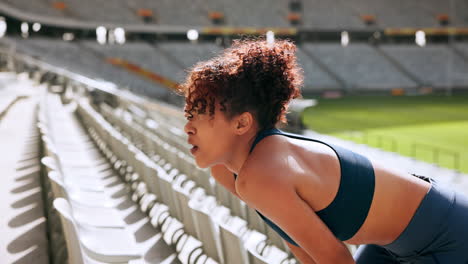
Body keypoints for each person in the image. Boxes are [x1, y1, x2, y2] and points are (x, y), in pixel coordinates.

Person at [179, 39, 468, 263]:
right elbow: (299, 243)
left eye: (199, 115)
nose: (187, 127)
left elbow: (335, 259)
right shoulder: (228, 172)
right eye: (189, 114)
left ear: (242, 123)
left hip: (448, 237)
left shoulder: (261, 173)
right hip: (393, 246)